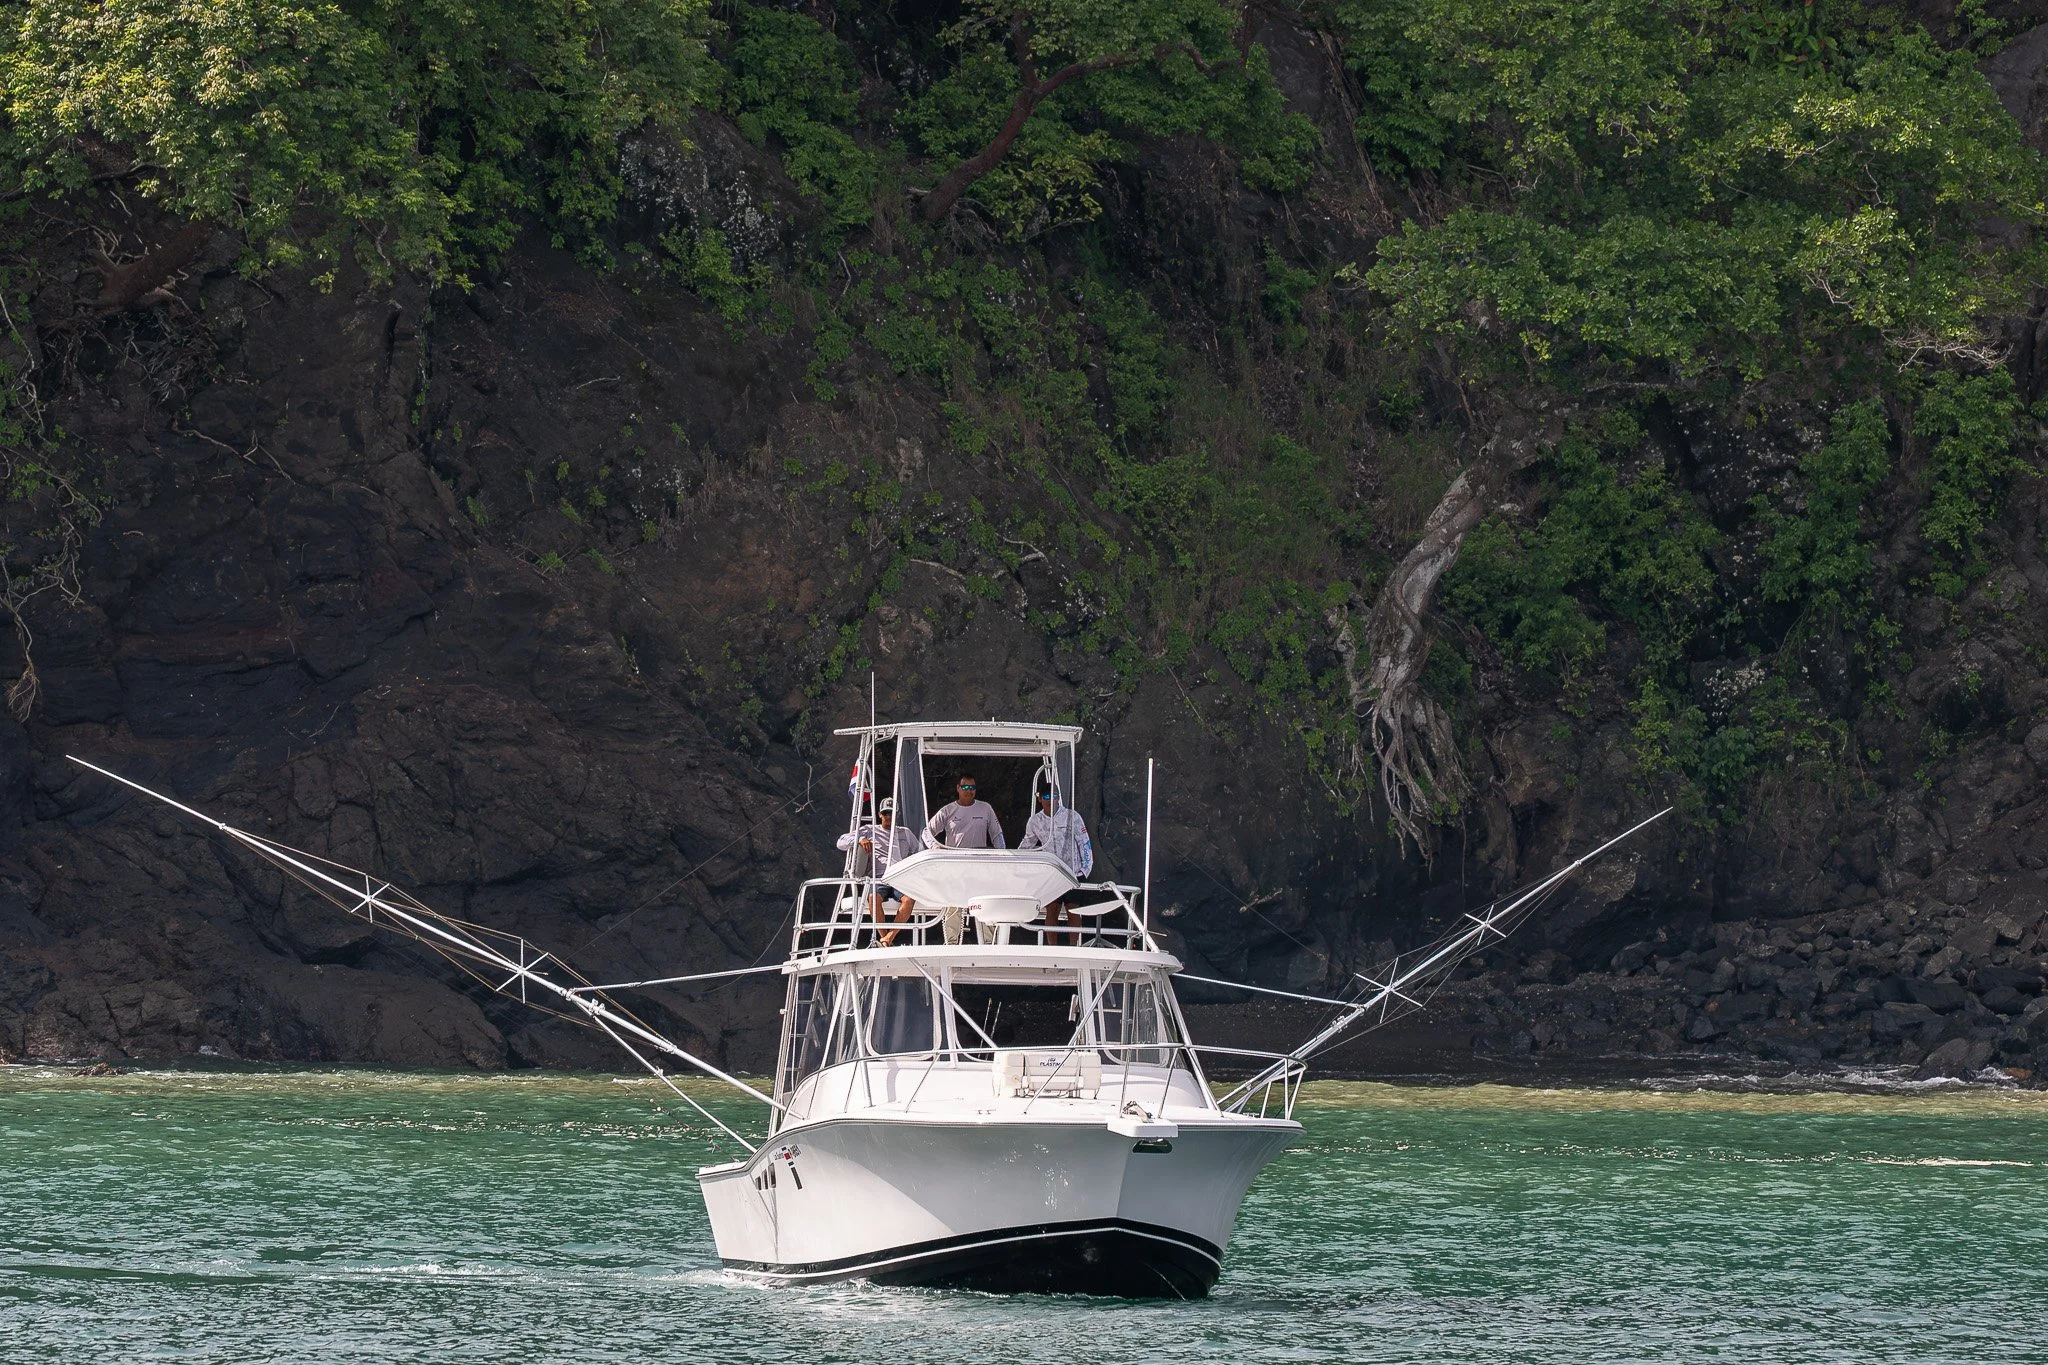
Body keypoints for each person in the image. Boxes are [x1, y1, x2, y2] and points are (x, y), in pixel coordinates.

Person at [836, 799, 922, 945]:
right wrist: (860, 839)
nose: (888, 816)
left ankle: (889, 938)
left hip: (899, 877)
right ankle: (885, 938)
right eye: (885, 813)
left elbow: (919, 852)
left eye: (892, 813)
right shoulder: (869, 830)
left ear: (897, 814)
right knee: (873, 899)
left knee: (909, 900)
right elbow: (841, 841)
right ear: (879, 815)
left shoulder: (906, 833)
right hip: (878, 877)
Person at [1021, 787, 1092, 943]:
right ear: (1039, 798)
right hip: (1051, 874)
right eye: (1046, 796)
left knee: (1073, 910)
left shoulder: (1072, 816)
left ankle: (1074, 949)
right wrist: (1017, 864)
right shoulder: (1035, 821)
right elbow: (1027, 845)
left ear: (1059, 797)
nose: (1050, 799)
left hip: (1073, 873)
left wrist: (1084, 871)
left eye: (1054, 795)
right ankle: (1052, 948)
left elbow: (1084, 843)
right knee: (1051, 910)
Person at [925, 773, 1005, 849]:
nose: (969, 791)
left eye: (972, 788)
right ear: (958, 788)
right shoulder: (947, 811)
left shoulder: (986, 808)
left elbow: (997, 835)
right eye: (965, 787)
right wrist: (934, 846)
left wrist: (1003, 855)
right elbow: (926, 832)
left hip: (979, 859)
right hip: (955, 860)